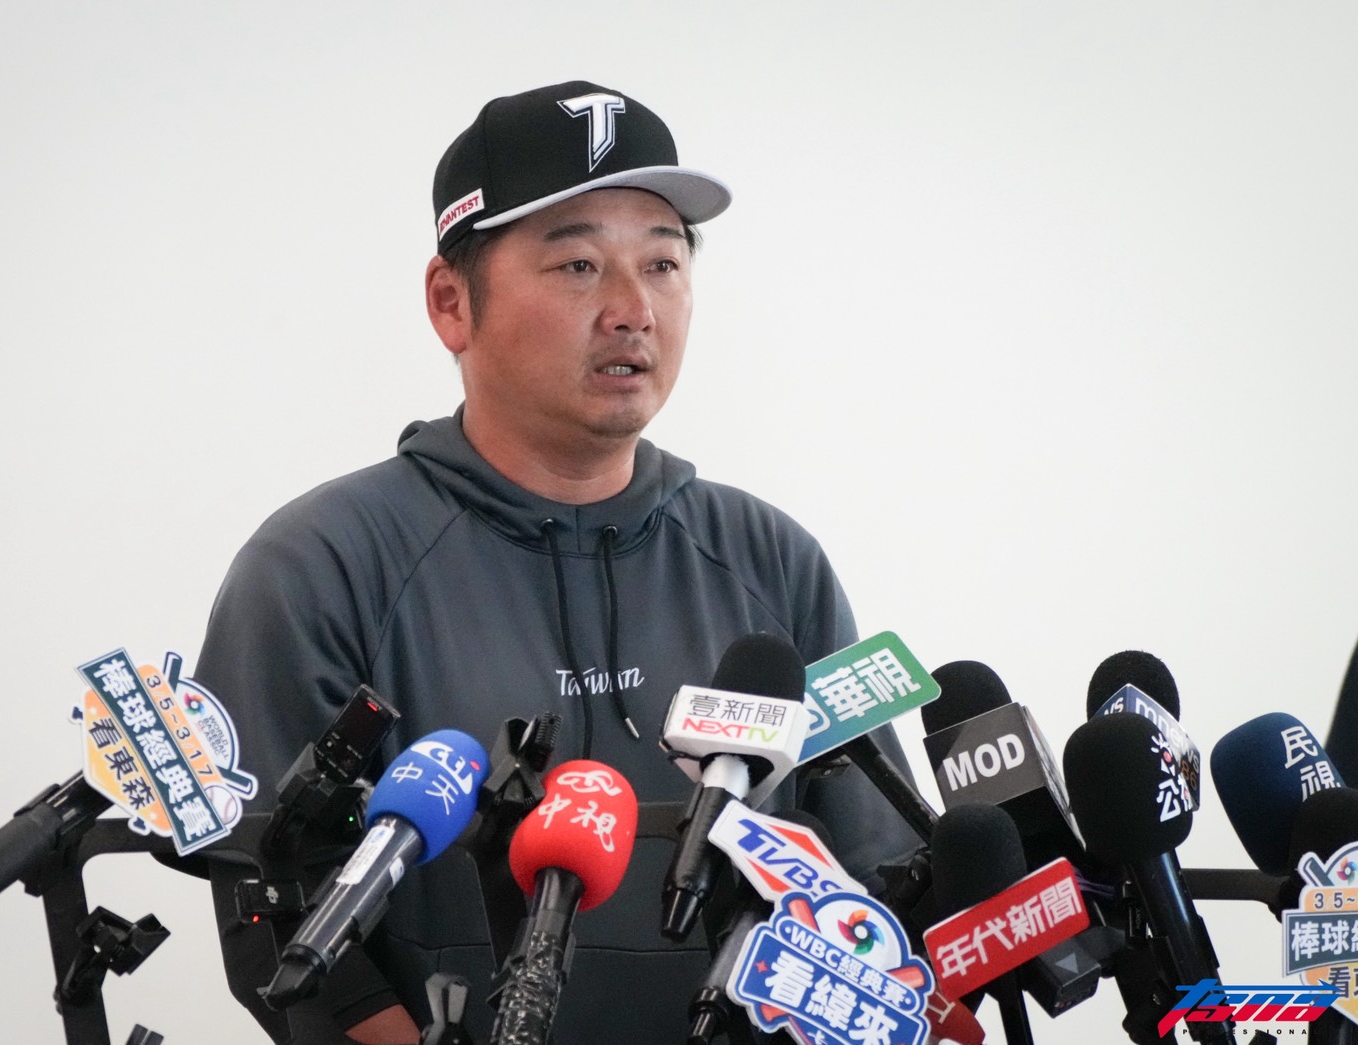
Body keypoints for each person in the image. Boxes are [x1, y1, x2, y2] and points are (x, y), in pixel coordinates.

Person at [194, 80, 921, 1044]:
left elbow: (875, 885)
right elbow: (267, 911)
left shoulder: (771, 560)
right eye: (578, 265)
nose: (632, 309)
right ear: (451, 302)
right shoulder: (320, 564)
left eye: (662, 263)